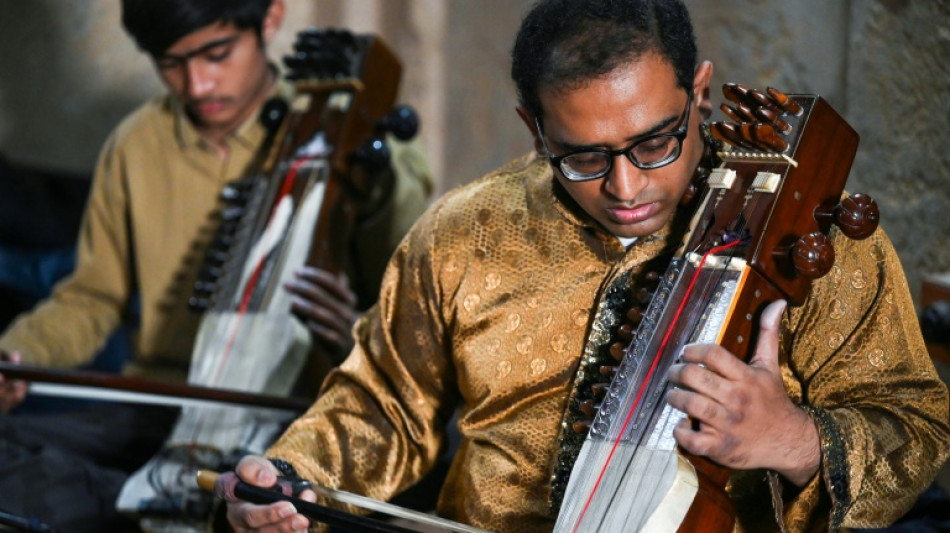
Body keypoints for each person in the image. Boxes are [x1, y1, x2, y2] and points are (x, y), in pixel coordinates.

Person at [223, 0, 949, 532]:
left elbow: (917, 429)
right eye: (584, 156)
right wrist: (293, 476)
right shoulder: (462, 233)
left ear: (699, 93)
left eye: (656, 142)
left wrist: (792, 438)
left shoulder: (810, 230)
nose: (626, 187)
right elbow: (380, 403)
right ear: (533, 128)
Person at [0, 0, 432, 531]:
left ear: (270, 19)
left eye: (216, 54)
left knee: (321, 487)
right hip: (157, 404)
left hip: (291, 413)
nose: (196, 85)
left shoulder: (366, 144)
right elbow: (91, 297)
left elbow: (413, 331)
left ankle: (153, 502)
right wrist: (18, 354)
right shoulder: (137, 145)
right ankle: (165, 499)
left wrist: (354, 332)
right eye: (171, 64)